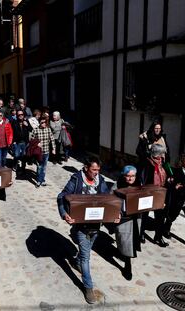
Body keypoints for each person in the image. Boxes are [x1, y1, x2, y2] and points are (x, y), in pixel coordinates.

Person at [57, 156, 112, 304]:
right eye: (93, 170)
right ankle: (88, 287)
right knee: (86, 257)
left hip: (96, 225)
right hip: (80, 225)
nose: (96, 173)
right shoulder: (76, 179)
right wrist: (64, 214)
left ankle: (76, 262)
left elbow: (108, 198)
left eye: (98, 170)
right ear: (86, 168)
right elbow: (61, 197)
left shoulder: (100, 180)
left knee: (84, 252)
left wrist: (114, 213)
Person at [139, 143, 171, 247]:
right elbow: (142, 179)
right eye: (162, 153)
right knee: (145, 214)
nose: (163, 155)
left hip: (160, 193)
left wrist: (170, 179)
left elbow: (167, 175)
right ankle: (141, 234)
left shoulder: (163, 163)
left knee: (160, 216)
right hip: (148, 193)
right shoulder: (147, 163)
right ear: (156, 154)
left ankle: (158, 236)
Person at [113, 165, 141, 280]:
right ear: (123, 176)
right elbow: (111, 200)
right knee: (124, 240)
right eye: (128, 176)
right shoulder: (117, 185)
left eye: (132, 176)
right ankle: (127, 265)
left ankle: (127, 261)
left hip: (135, 217)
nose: (130, 179)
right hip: (123, 217)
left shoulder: (139, 184)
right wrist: (116, 212)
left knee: (132, 240)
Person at [32, 117, 55, 187]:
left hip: (46, 151)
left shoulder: (48, 129)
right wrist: (36, 144)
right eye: (42, 122)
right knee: (39, 166)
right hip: (39, 152)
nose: (44, 124)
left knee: (44, 167)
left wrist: (54, 149)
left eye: (45, 122)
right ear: (39, 123)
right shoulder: (36, 130)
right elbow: (31, 140)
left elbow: (52, 140)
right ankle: (39, 180)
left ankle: (42, 180)